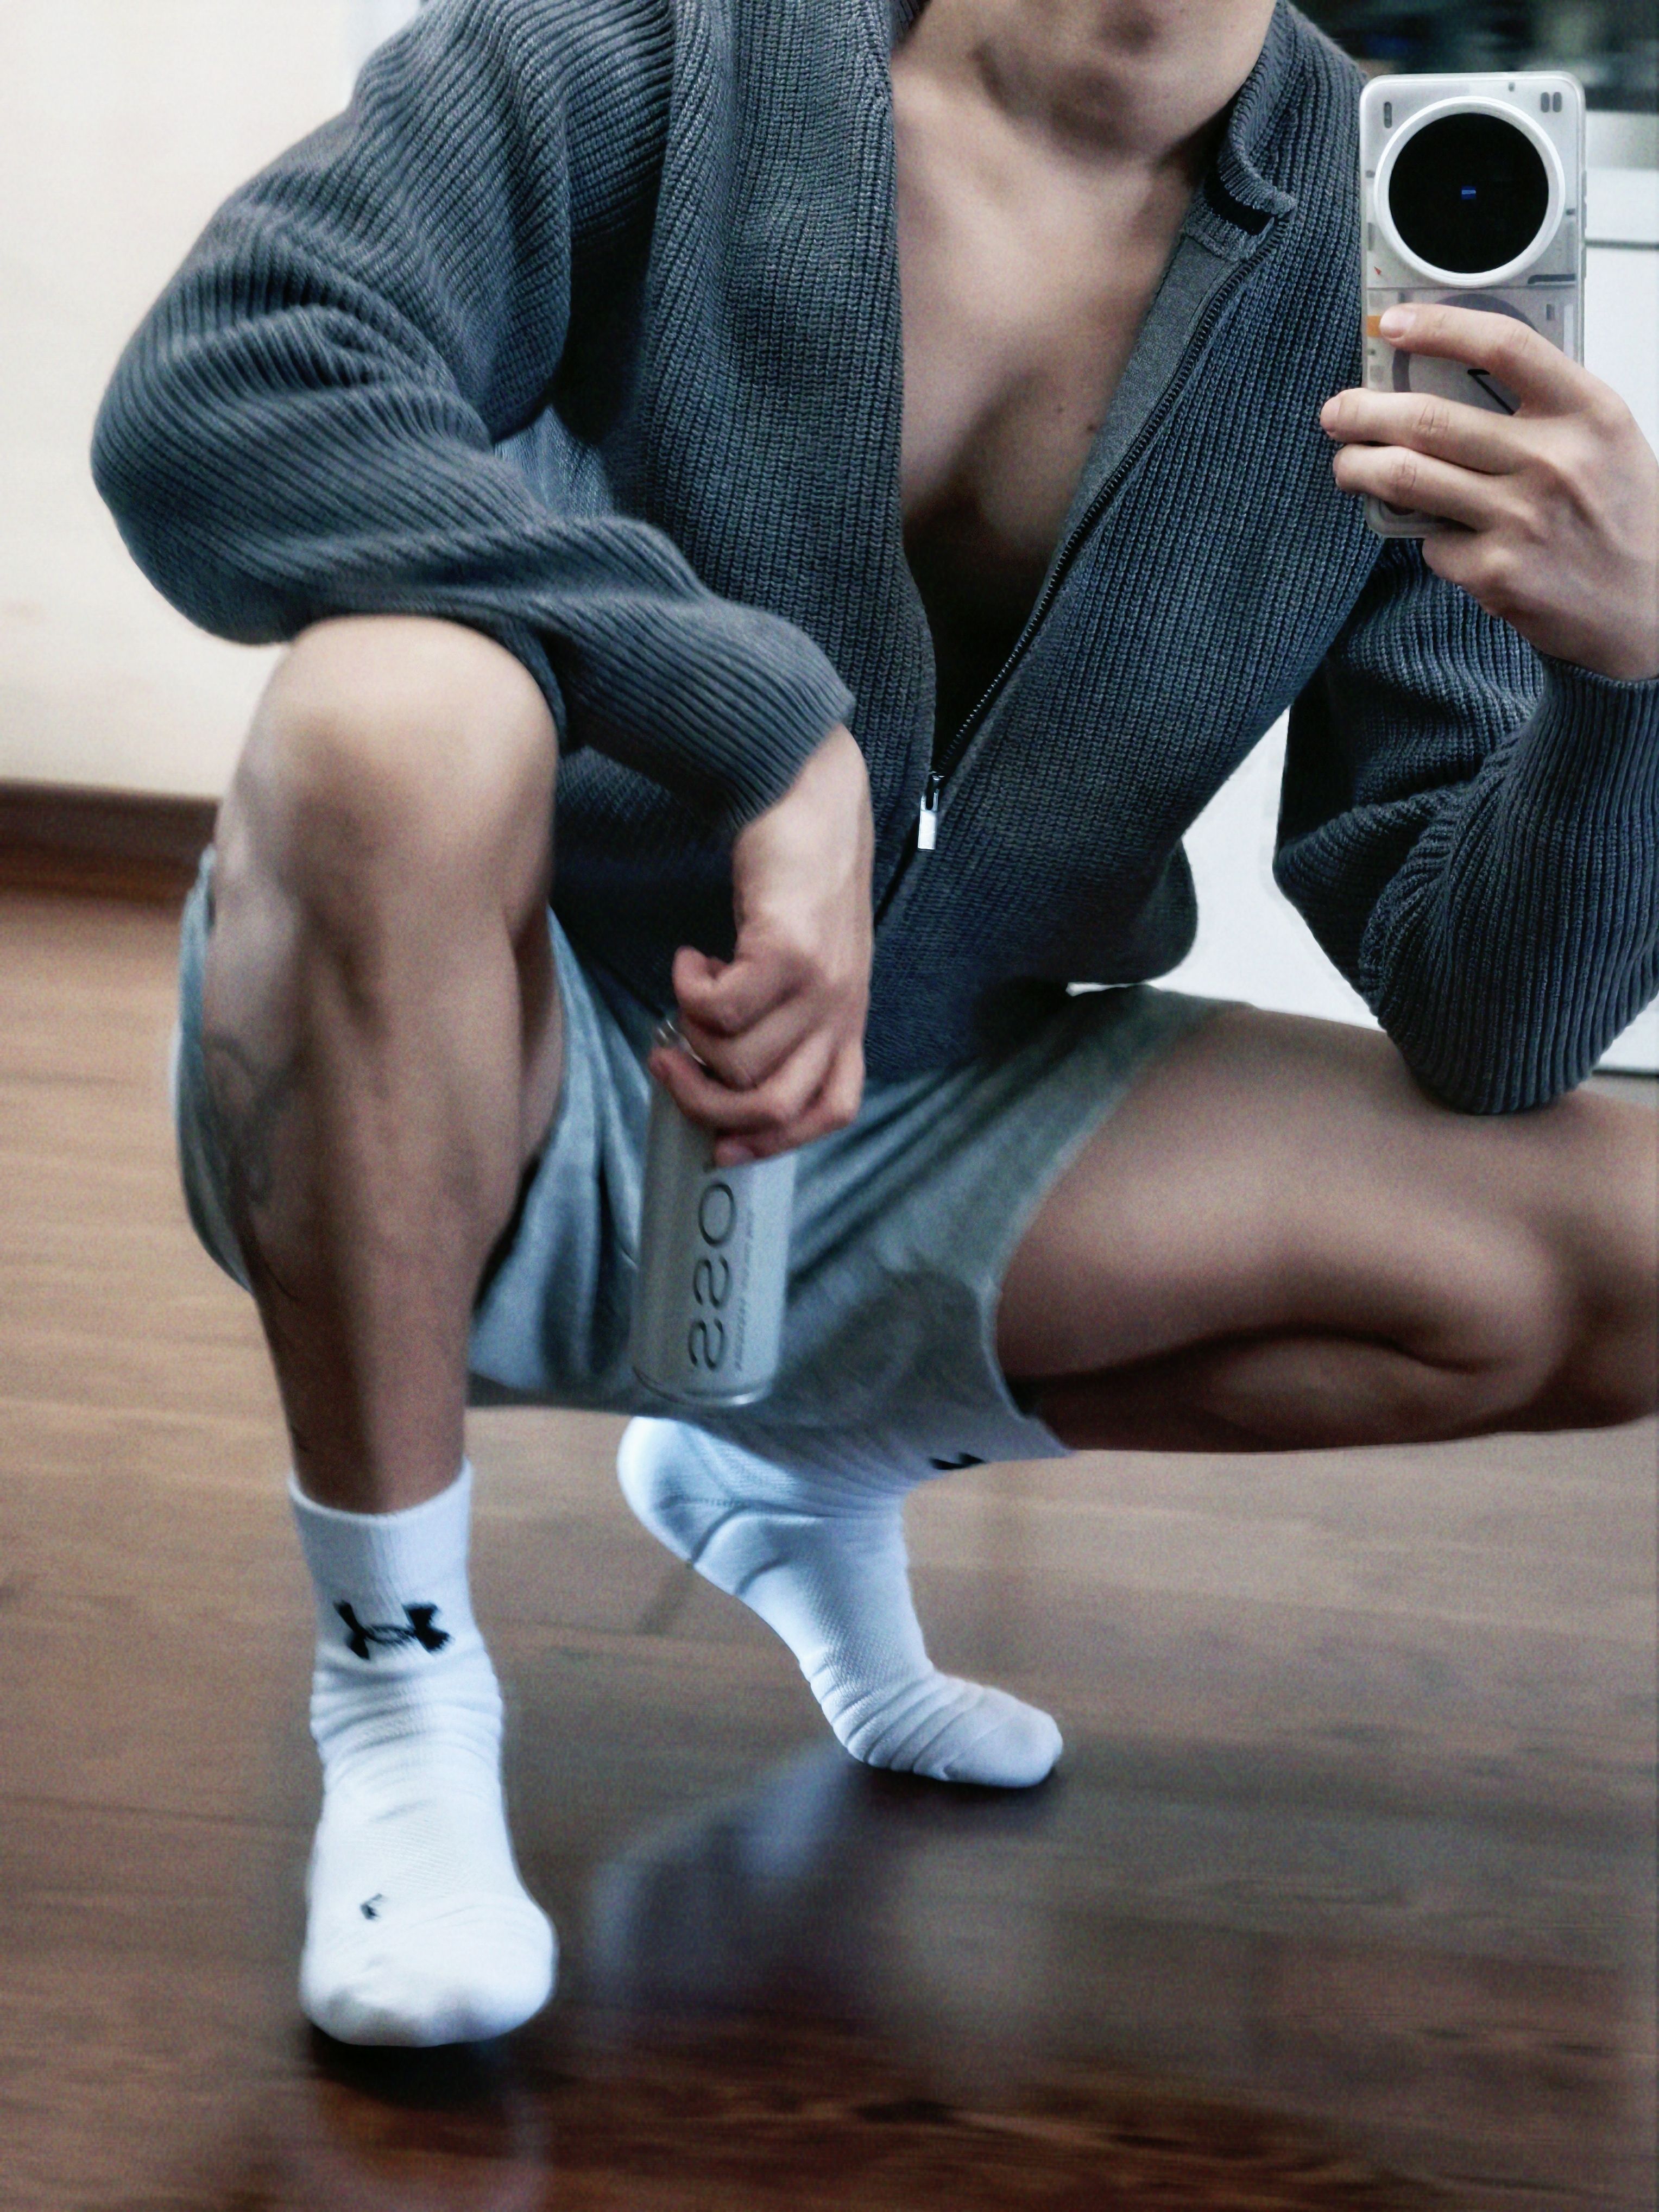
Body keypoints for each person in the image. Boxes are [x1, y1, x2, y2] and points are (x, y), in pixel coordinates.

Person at [93, 0, 1657, 2049]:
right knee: (393, 712)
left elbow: (1489, 1024)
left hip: (919, 1119)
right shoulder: (667, 37)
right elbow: (223, 384)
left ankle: (797, 1460)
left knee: (1635, 1233)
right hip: (494, 1055)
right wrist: (760, 723)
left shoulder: (1384, 248)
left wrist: (1629, 682)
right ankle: (396, 1682)